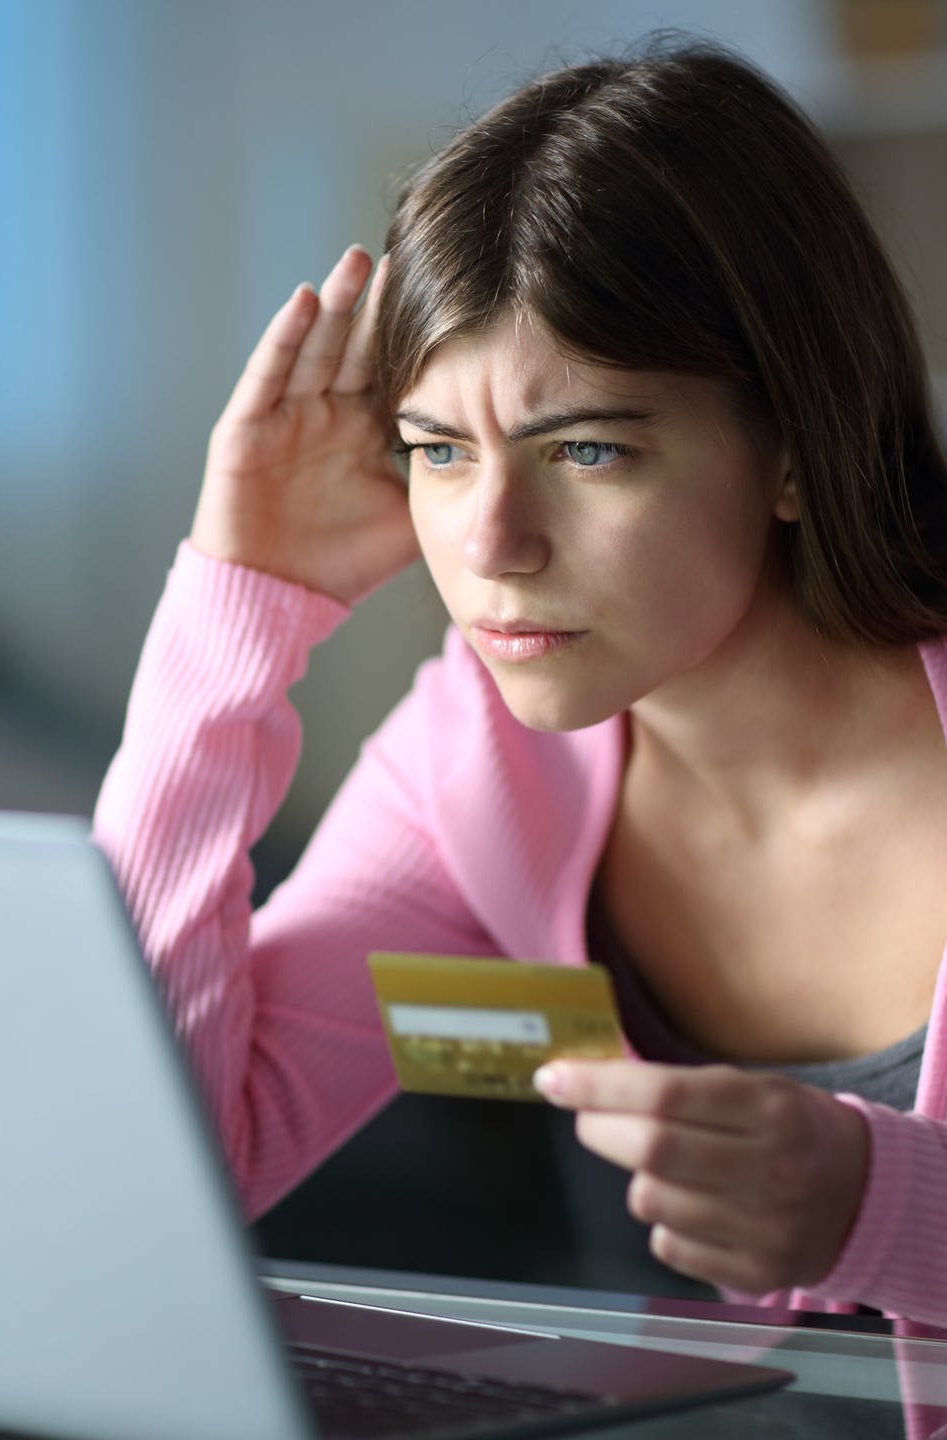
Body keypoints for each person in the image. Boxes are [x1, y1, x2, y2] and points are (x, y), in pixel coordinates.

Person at [93, 36, 947, 1323]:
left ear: (792, 448)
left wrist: (882, 1208)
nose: (491, 545)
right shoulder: (478, 763)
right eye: (436, 451)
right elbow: (171, 1160)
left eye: (590, 450)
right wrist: (236, 602)